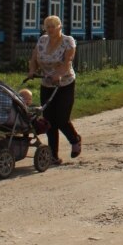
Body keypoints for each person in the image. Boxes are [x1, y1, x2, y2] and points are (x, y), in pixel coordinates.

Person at [28, 14, 82, 163]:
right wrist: (32, 70)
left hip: (64, 84)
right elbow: (34, 58)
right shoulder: (42, 41)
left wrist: (58, 74)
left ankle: (75, 139)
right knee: (49, 120)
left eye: (53, 26)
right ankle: (53, 155)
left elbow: (68, 61)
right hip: (46, 84)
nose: (50, 29)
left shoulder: (67, 41)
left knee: (61, 118)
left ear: (60, 27)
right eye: (48, 27)